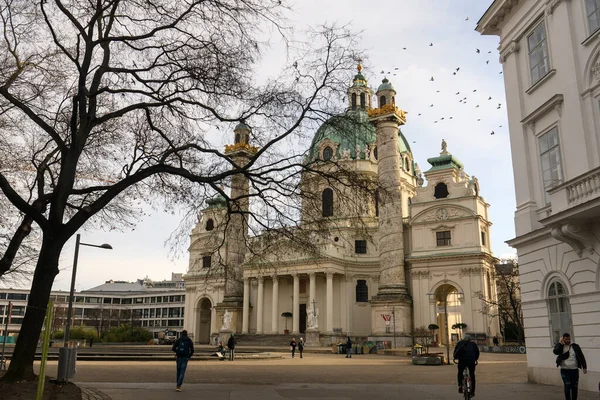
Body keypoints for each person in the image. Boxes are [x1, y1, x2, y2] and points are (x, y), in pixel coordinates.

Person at [553, 333, 587, 400]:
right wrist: (560, 343)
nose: (568, 340)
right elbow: (555, 352)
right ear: (563, 339)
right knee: (567, 386)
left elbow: (581, 356)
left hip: (574, 369)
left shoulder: (575, 346)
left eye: (569, 339)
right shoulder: (561, 346)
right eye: (566, 339)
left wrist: (584, 367)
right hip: (565, 370)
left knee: (574, 386)